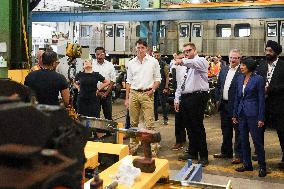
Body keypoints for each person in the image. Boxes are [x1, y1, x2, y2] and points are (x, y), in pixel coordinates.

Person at [174, 42, 209, 166]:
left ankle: (204, 156)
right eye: (185, 51)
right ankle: (193, 152)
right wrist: (177, 99)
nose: (186, 53)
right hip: (185, 97)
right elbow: (180, 83)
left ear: (195, 50)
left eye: (189, 51)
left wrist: (182, 60)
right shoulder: (184, 65)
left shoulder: (201, 61)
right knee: (189, 126)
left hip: (198, 96)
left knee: (197, 126)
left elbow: (193, 63)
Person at [125, 39, 161, 154]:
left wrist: (153, 89)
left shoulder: (153, 62)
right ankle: (133, 147)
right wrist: (127, 98)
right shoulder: (131, 63)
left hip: (147, 94)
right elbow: (128, 81)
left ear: (146, 49)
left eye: (142, 48)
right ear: (135, 48)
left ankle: (153, 149)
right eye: (138, 48)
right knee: (133, 123)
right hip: (134, 94)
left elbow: (158, 79)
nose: (140, 50)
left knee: (149, 123)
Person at [232, 57, 266, 177]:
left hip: (254, 114)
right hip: (241, 113)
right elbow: (237, 97)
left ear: (250, 67)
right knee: (243, 140)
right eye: (241, 65)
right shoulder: (239, 78)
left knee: (257, 141)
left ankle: (262, 166)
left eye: (243, 65)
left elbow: (262, 99)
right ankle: (247, 164)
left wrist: (261, 117)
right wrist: (235, 113)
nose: (241, 67)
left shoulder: (258, 79)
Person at [256, 40, 284, 169]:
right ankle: (259, 153)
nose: (267, 53)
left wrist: (270, 89)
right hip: (263, 105)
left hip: (278, 106)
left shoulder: (282, 66)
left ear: (276, 53)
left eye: (270, 51)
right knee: (259, 131)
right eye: (266, 50)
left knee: (281, 132)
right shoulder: (261, 65)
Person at [214, 49, 243, 164]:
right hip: (224, 105)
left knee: (238, 132)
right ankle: (226, 152)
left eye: (235, 58)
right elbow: (218, 86)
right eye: (231, 57)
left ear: (239, 59)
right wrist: (217, 99)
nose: (232, 60)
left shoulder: (242, 71)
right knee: (225, 130)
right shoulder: (224, 69)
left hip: (236, 107)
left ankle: (239, 155)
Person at [92, 47, 116, 120]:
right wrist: (97, 92)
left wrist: (106, 93)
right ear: (95, 55)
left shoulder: (110, 65)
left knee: (108, 115)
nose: (99, 56)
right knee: (95, 115)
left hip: (107, 94)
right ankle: (95, 131)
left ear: (105, 55)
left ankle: (109, 131)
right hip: (95, 94)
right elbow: (89, 80)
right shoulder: (92, 65)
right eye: (97, 54)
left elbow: (112, 80)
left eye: (101, 54)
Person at [170, 51, 187, 150]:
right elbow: (178, 84)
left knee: (189, 120)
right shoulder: (175, 66)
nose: (181, 60)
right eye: (179, 58)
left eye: (183, 58)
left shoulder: (190, 66)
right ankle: (179, 141)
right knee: (178, 119)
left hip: (190, 95)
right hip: (179, 94)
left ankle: (190, 141)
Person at [153, 51, 169, 125]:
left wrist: (166, 87)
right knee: (154, 103)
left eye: (157, 55)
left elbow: (167, 76)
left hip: (162, 86)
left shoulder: (164, 64)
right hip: (153, 86)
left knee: (163, 103)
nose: (156, 57)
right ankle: (155, 118)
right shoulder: (151, 64)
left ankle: (165, 119)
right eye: (155, 55)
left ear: (160, 56)